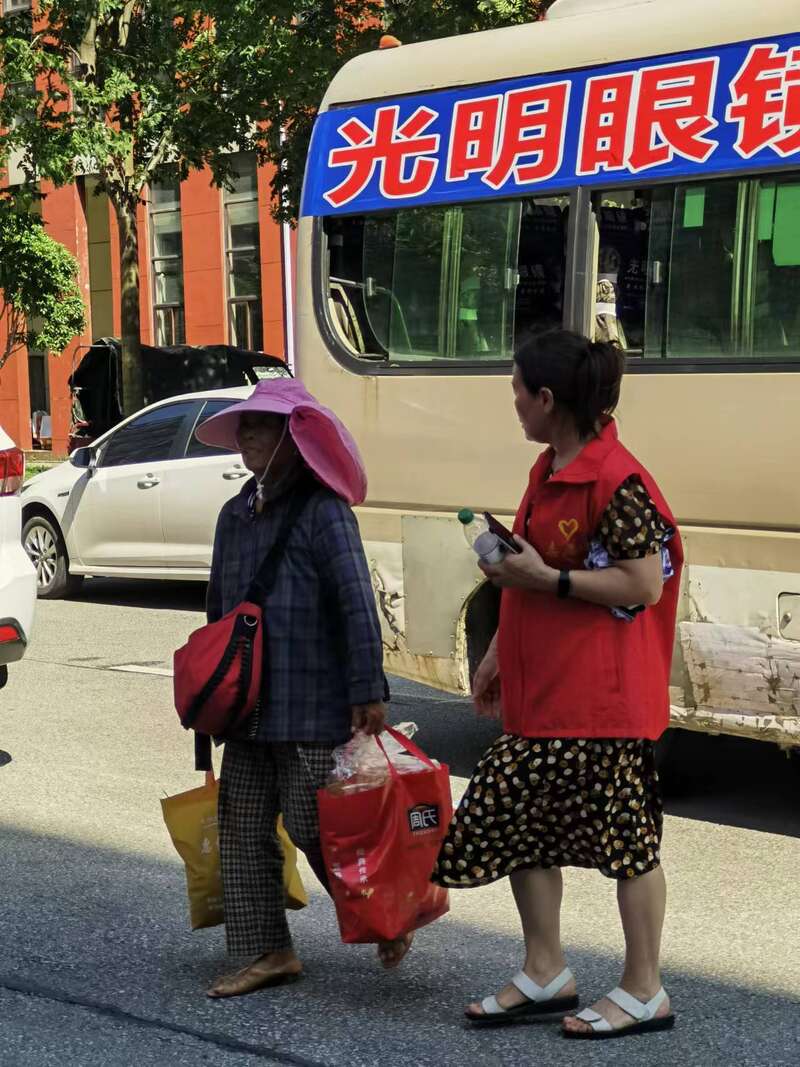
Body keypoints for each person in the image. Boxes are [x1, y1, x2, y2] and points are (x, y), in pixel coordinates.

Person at [432, 330, 683, 1040]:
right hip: (545, 697)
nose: (512, 401)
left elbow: (643, 579)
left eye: (517, 389)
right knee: (521, 825)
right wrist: (498, 658)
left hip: (603, 701)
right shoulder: (549, 470)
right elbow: (530, 573)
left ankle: (643, 988)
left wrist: (548, 578)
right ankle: (546, 969)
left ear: (547, 399)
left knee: (628, 843)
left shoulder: (617, 478)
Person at [194, 379, 408, 998]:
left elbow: (354, 601)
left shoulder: (323, 509)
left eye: (264, 426)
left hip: (313, 697)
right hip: (248, 702)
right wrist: (212, 690)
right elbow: (218, 607)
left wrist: (367, 688)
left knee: (319, 827)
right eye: (246, 428)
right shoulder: (234, 514)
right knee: (242, 824)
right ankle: (266, 951)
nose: (250, 437)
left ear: (296, 437)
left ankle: (387, 915)